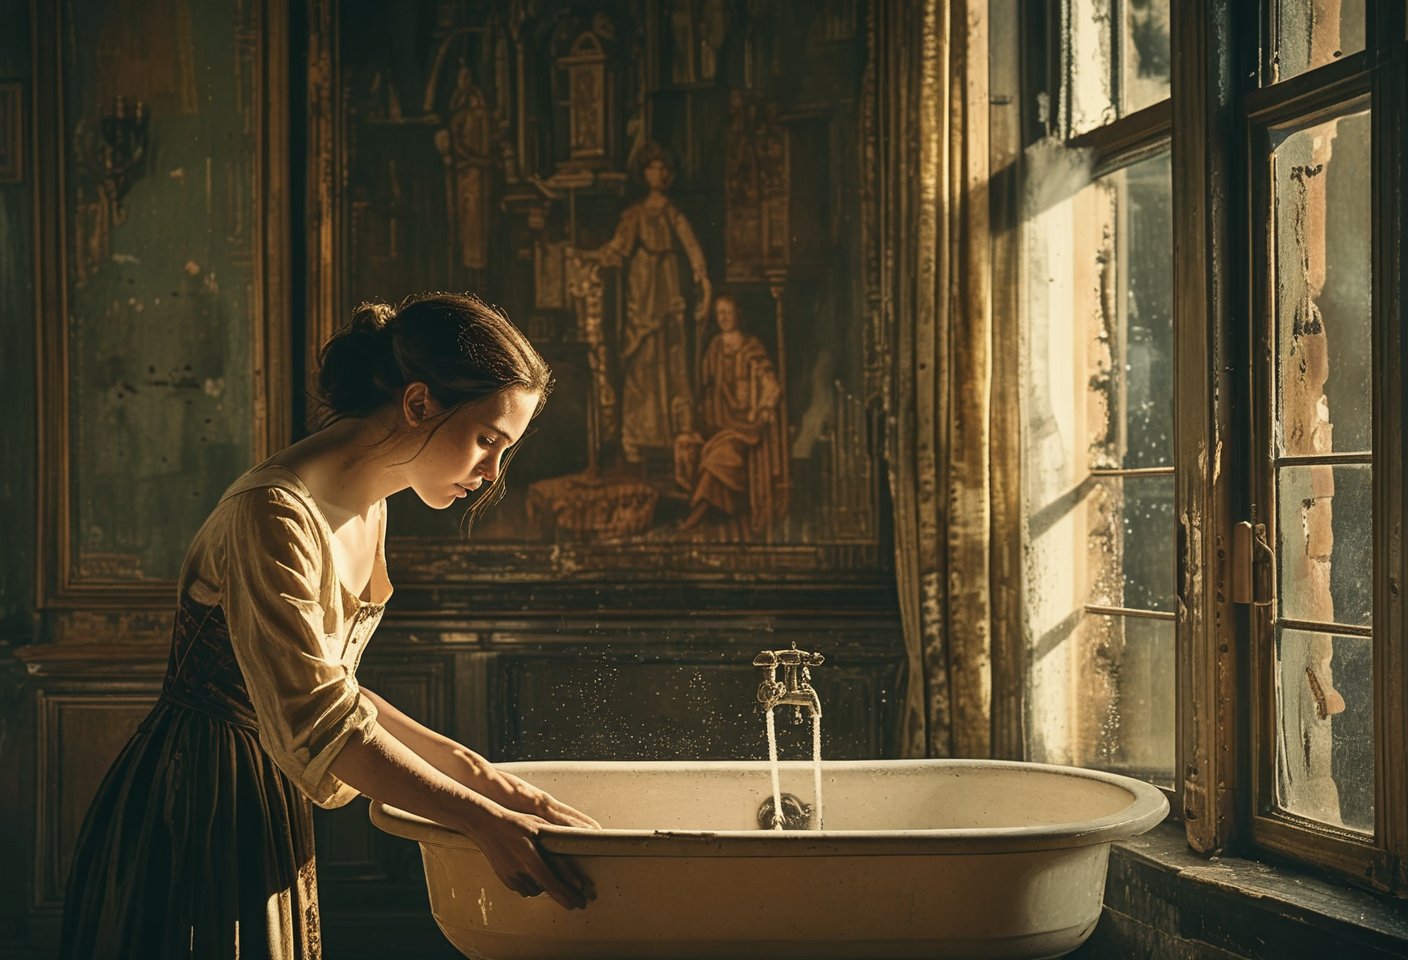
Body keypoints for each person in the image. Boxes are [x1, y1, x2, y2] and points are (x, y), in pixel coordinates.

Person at [60, 293, 598, 959]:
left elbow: (334, 688)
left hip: (266, 790)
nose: (492, 475)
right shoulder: (272, 514)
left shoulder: (370, 507)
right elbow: (319, 722)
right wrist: (483, 819)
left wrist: (489, 781)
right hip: (197, 793)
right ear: (420, 403)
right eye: (488, 440)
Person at [588, 142, 712, 465]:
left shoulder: (672, 212)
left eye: (662, 168)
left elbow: (692, 246)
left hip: (668, 286)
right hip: (642, 291)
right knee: (642, 358)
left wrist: (702, 276)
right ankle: (637, 437)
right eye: (652, 167)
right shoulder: (634, 215)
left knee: (672, 358)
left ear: (668, 175)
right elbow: (616, 249)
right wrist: (590, 257)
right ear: (644, 173)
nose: (657, 173)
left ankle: (674, 438)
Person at [676, 293, 788, 536]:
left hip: (745, 427)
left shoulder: (751, 346)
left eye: (728, 312)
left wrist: (765, 406)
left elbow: (772, 384)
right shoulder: (715, 347)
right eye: (720, 314)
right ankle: (702, 512)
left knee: (716, 459)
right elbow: (702, 384)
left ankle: (696, 516)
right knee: (696, 451)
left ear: (739, 314)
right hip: (717, 425)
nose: (724, 318)